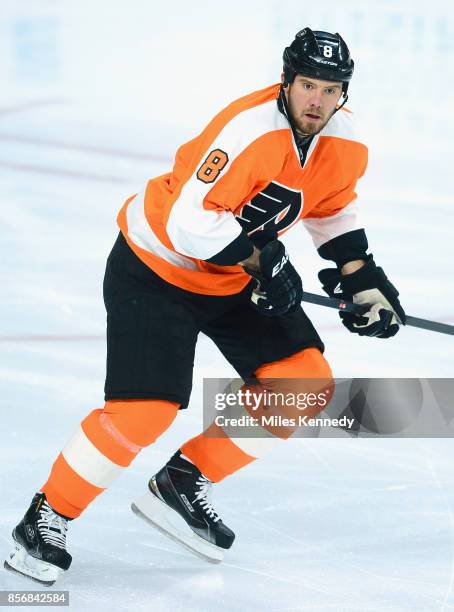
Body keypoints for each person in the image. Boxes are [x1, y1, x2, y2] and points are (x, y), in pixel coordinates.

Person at [4, 27, 406, 584]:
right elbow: (189, 222)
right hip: (157, 269)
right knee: (144, 413)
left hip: (228, 276)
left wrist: (363, 279)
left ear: (345, 93)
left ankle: (185, 480)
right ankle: (45, 518)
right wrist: (266, 264)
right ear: (286, 81)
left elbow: (332, 208)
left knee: (303, 382)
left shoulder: (346, 139)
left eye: (331, 89)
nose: (318, 99)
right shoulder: (247, 129)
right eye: (308, 84)